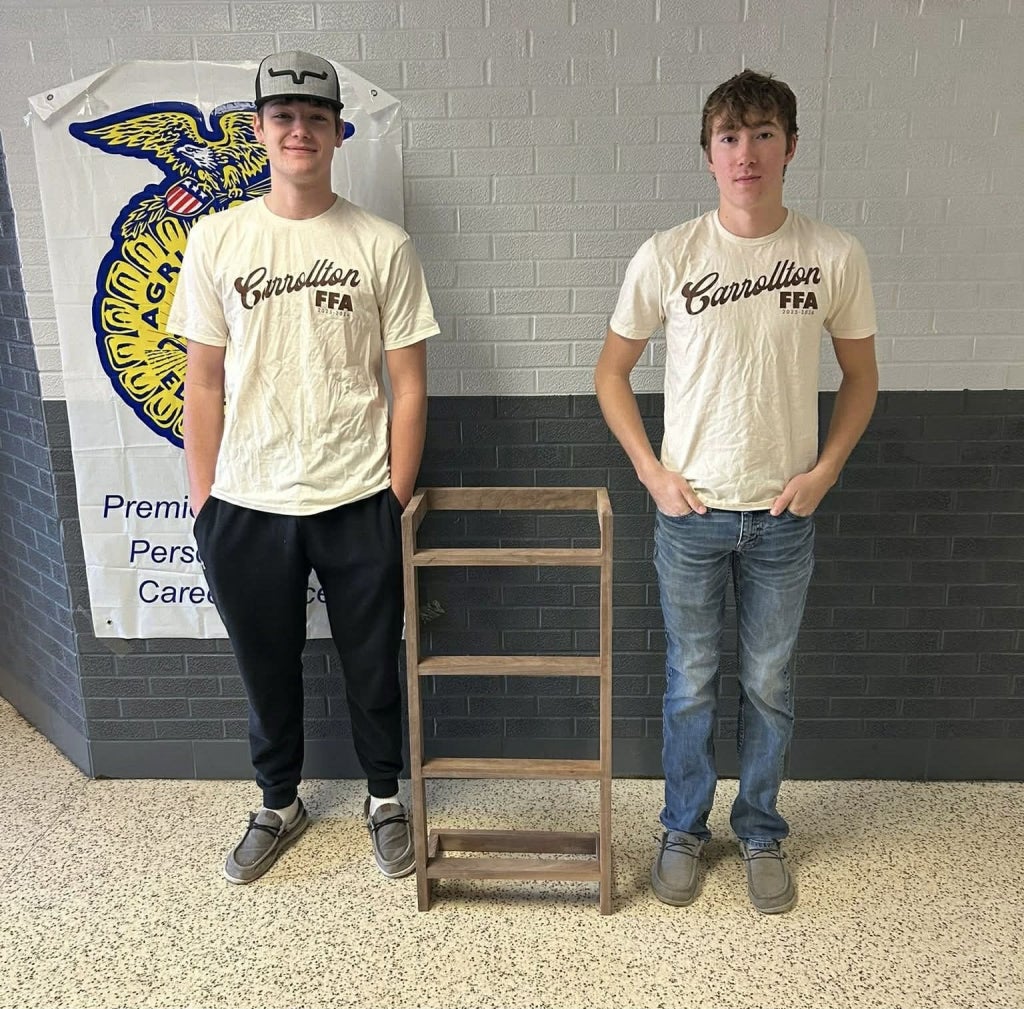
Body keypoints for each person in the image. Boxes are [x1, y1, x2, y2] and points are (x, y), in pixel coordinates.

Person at [594, 69, 877, 914]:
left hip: (783, 518)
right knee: (691, 680)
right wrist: (652, 471)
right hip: (692, 515)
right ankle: (684, 827)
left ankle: (760, 829)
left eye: (762, 135)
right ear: (708, 154)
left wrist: (824, 470)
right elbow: (612, 372)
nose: (745, 152)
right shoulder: (671, 253)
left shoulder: (832, 255)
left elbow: (861, 378)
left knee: (768, 683)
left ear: (790, 147)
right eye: (729, 137)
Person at [168, 50, 439, 884]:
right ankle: (276, 800)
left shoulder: (381, 244)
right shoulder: (219, 238)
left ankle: (386, 798)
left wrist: (392, 497)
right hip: (246, 499)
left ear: (337, 134)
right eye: (282, 117)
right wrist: (205, 502)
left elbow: (409, 385)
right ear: (259, 132)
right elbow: (203, 380)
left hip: (357, 491)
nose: (299, 130)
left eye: (315, 118)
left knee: (372, 662)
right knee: (265, 662)